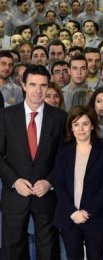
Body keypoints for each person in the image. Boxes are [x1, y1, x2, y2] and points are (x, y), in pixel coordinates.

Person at [0, 64, 66, 259]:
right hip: (14, 195)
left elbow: (65, 158)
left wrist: (50, 181)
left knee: (48, 249)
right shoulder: (5, 116)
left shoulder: (60, 117)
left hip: (46, 195)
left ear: (48, 87)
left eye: (43, 85)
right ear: (23, 85)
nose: (38, 90)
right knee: (13, 249)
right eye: (33, 84)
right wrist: (14, 180)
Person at [53, 105, 103, 260]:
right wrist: (73, 212)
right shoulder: (63, 151)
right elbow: (59, 184)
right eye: (76, 124)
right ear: (71, 128)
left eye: (85, 124)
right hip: (69, 216)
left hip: (96, 216)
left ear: (93, 126)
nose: (81, 129)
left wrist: (87, 212)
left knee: (96, 256)